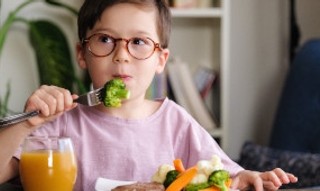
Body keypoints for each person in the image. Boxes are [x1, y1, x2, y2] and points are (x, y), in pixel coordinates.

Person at [0, 0, 298, 191]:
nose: (121, 56)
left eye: (139, 42)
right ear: (82, 54)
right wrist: (27, 124)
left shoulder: (176, 123)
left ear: (160, 60)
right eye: (105, 39)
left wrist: (245, 180)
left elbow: (225, 178)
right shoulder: (60, 124)